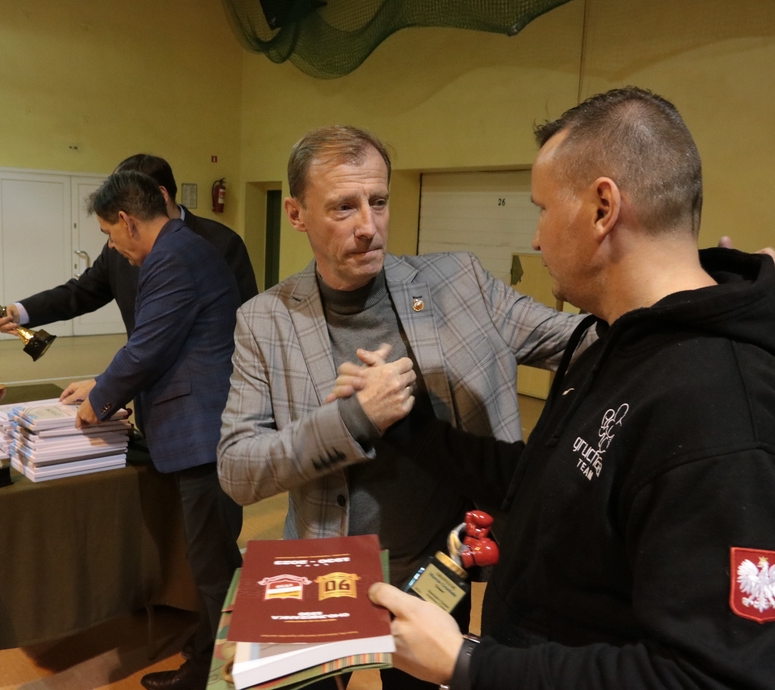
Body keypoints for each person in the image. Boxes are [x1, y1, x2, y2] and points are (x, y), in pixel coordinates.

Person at [350, 87, 775, 690]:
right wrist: (410, 427)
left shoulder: (731, 422)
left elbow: (711, 678)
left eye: (541, 209)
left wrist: (467, 664)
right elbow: (544, 480)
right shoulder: (623, 343)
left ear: (603, 208)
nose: (536, 239)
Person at [216, 125, 585, 690]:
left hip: (436, 570)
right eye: (343, 206)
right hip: (326, 568)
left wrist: (694, 288)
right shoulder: (265, 320)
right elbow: (238, 470)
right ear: (296, 215)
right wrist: (354, 419)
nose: (369, 225)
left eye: (379, 201)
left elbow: (580, 341)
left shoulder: (459, 281)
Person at [76, 171, 242, 690]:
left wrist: (98, 402)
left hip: (203, 435)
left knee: (214, 568)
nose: (111, 245)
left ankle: (220, 675)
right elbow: (163, 345)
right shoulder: (181, 248)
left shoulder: (171, 257)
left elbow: (147, 349)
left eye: (108, 232)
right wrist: (105, 385)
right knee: (210, 564)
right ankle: (209, 661)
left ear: (127, 221)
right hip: (199, 431)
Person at [0, 153, 258, 403]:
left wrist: (101, 392)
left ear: (159, 194)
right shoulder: (119, 246)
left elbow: (245, 325)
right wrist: (20, 312)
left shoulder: (220, 242)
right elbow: (82, 292)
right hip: (147, 392)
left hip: (204, 396)